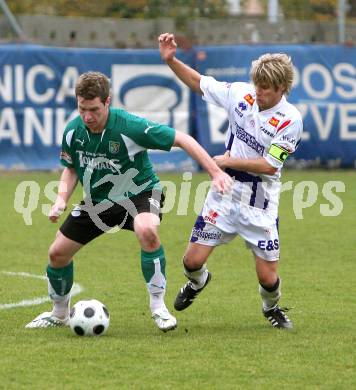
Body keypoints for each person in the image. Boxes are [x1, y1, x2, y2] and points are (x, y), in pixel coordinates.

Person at [25, 71, 232, 332]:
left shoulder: (129, 126)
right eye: (82, 109)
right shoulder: (73, 131)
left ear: (107, 102)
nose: (87, 116)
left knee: (146, 230)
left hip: (142, 194)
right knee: (57, 254)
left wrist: (215, 172)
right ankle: (59, 313)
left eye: (94, 109)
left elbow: (183, 139)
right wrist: (60, 200)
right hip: (99, 202)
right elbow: (71, 168)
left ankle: (159, 308)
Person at [158, 33, 303, 329]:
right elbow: (200, 82)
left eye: (265, 88)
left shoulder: (290, 119)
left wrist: (224, 161)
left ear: (281, 88)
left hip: (260, 200)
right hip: (224, 193)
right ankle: (198, 283)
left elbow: (270, 166)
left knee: (267, 277)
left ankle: (271, 308)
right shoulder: (241, 94)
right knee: (191, 262)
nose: (258, 92)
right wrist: (171, 60)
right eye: (256, 85)